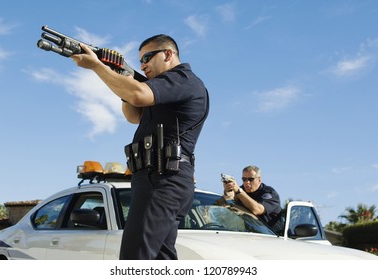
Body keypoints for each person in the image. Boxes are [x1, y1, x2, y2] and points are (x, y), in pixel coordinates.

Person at [71, 34, 209, 259]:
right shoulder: (165, 89)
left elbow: (137, 94)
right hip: (161, 177)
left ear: (168, 54)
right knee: (159, 259)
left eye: (147, 57)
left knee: (134, 260)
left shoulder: (182, 79)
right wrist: (121, 77)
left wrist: (97, 67)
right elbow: (133, 115)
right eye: (140, 60)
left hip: (163, 176)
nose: (143, 65)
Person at [221, 165, 283, 233]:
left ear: (259, 179)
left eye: (251, 179)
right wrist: (228, 190)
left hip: (272, 235)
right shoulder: (241, 190)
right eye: (244, 179)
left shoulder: (269, 192)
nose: (247, 182)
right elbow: (230, 200)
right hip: (247, 233)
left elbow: (257, 210)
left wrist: (239, 191)